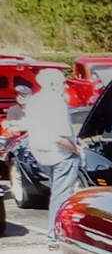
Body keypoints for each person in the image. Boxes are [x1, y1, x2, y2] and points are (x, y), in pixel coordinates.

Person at [18, 67, 78, 236]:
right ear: (53, 84)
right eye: (63, 83)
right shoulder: (56, 102)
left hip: (42, 155)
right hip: (61, 155)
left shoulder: (34, 101)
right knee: (62, 196)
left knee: (56, 194)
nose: (65, 87)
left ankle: (57, 233)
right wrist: (76, 150)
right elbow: (60, 137)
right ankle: (55, 236)